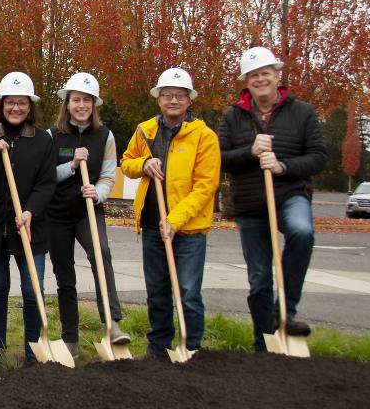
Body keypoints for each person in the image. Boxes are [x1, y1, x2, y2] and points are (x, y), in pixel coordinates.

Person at [217, 47, 327, 352]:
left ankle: (287, 311)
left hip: (290, 194)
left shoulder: (301, 112)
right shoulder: (233, 116)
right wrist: (250, 151)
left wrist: (283, 166)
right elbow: (220, 159)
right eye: (254, 75)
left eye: (265, 73)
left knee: (302, 233)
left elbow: (319, 156)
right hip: (251, 203)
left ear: (277, 76)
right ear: (246, 82)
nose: (260, 79)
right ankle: (263, 343)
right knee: (260, 277)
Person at [121, 67, 220, 358]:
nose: (173, 100)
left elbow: (206, 186)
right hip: (153, 225)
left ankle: (191, 347)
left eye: (179, 95)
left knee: (188, 293)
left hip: (188, 230)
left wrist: (175, 220)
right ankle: (158, 346)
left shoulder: (203, 136)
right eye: (167, 95)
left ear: (189, 100)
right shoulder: (145, 130)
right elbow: (127, 163)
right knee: (157, 291)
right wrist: (143, 165)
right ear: (159, 99)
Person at [46, 72, 130, 359]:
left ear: (94, 105)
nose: (81, 105)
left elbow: (108, 176)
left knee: (101, 254)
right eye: (76, 100)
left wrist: (99, 192)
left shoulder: (105, 136)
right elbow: (44, 176)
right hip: (56, 214)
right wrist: (70, 166)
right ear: (67, 104)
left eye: (87, 100)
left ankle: (112, 323)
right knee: (64, 274)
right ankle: (70, 336)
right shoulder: (52, 136)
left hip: (88, 212)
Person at [0, 72, 56, 366]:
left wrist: (30, 210)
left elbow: (47, 183)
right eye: (11, 102)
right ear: (2, 104)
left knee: (32, 290)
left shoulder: (43, 140)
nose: (16, 108)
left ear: (30, 107)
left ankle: (33, 351)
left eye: (22, 103)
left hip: (30, 226)